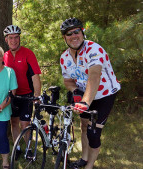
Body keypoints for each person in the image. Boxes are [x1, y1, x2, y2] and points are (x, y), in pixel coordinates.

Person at [59, 18, 121, 169]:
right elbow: (68, 81)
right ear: (64, 38)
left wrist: (85, 102)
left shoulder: (93, 49)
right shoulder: (64, 57)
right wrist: (75, 91)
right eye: (69, 34)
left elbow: (94, 76)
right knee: (84, 126)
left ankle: (90, 165)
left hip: (104, 95)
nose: (74, 36)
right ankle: (84, 158)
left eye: (76, 32)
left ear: (82, 32)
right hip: (84, 95)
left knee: (94, 133)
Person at [3, 25, 42, 158]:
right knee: (13, 122)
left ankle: (29, 149)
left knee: (25, 123)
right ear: (6, 40)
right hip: (12, 96)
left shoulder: (28, 53)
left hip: (27, 95)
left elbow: (35, 76)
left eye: (16, 37)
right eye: (10, 38)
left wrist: (37, 95)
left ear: (19, 38)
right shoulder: (5, 56)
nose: (13, 40)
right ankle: (17, 146)